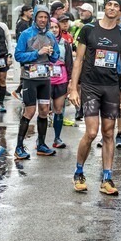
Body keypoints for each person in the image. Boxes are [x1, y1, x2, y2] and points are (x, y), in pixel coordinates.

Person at [69, 0, 121, 196]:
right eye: (109, 5)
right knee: (91, 132)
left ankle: (107, 178)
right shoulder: (88, 29)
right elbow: (78, 60)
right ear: (104, 7)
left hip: (111, 88)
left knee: (108, 132)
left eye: (116, 5)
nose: (112, 8)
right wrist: (73, 88)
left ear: (120, 10)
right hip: (90, 86)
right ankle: (79, 172)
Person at [12, 5, 60, 160]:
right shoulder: (26, 34)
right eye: (40, 17)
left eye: (46, 17)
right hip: (30, 78)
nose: (43, 20)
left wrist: (52, 55)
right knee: (30, 111)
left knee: (45, 110)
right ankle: (19, 146)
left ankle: (41, 144)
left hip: (45, 78)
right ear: (35, 18)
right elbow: (18, 55)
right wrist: (37, 53)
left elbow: (56, 56)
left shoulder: (51, 36)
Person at [48, 18, 74, 149]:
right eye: (51, 27)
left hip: (61, 80)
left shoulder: (65, 43)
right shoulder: (41, 41)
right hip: (45, 79)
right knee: (43, 111)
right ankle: (40, 141)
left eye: (56, 27)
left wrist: (71, 82)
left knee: (58, 110)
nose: (54, 30)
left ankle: (57, 138)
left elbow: (70, 63)